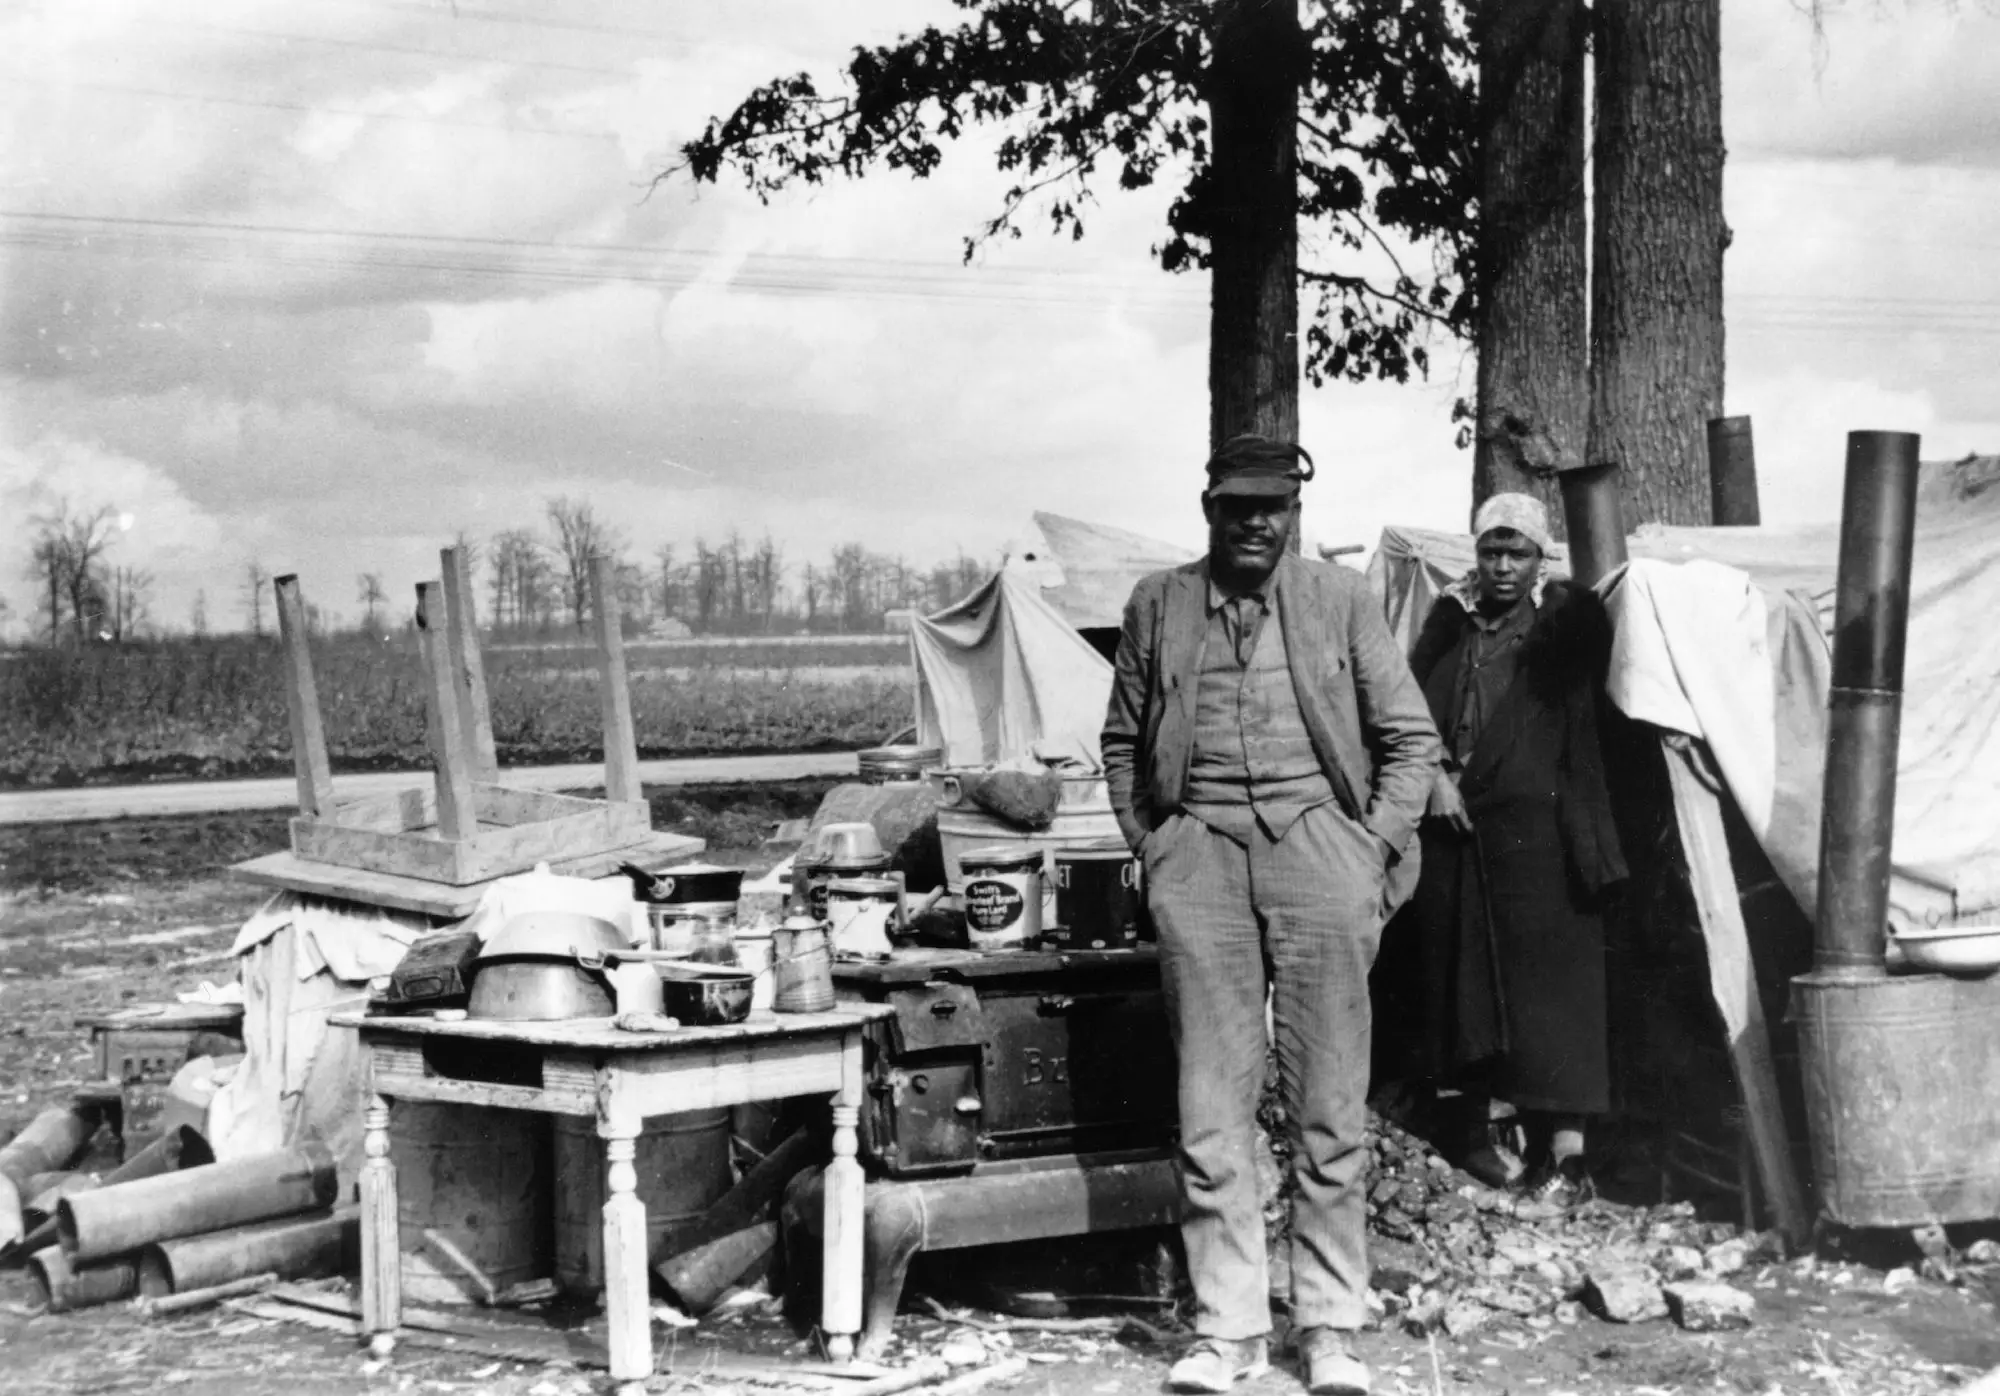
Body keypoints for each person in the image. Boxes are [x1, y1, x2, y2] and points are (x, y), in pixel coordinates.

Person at [1101, 435, 1441, 1396]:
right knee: (1211, 1106)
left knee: (1331, 1104)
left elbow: (1410, 740)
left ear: (1295, 514)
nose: (1256, 522)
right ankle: (1230, 1331)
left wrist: (1368, 845)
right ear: (1207, 508)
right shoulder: (1157, 605)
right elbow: (1121, 741)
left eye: (1274, 507)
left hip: (1320, 852)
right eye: (1237, 505)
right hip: (1198, 855)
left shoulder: (1339, 601)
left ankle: (1330, 1328)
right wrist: (1155, 847)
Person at [1398, 492, 1627, 1203]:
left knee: (1549, 993)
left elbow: (1582, 736)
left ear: (1539, 560)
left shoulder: (1562, 630)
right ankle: (1468, 1136)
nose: (1502, 566)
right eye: (1491, 551)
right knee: (1457, 985)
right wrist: (1434, 774)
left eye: (1517, 553)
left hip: (1537, 839)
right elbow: (1405, 713)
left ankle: (1564, 1155)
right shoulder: (1448, 627)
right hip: (1453, 832)